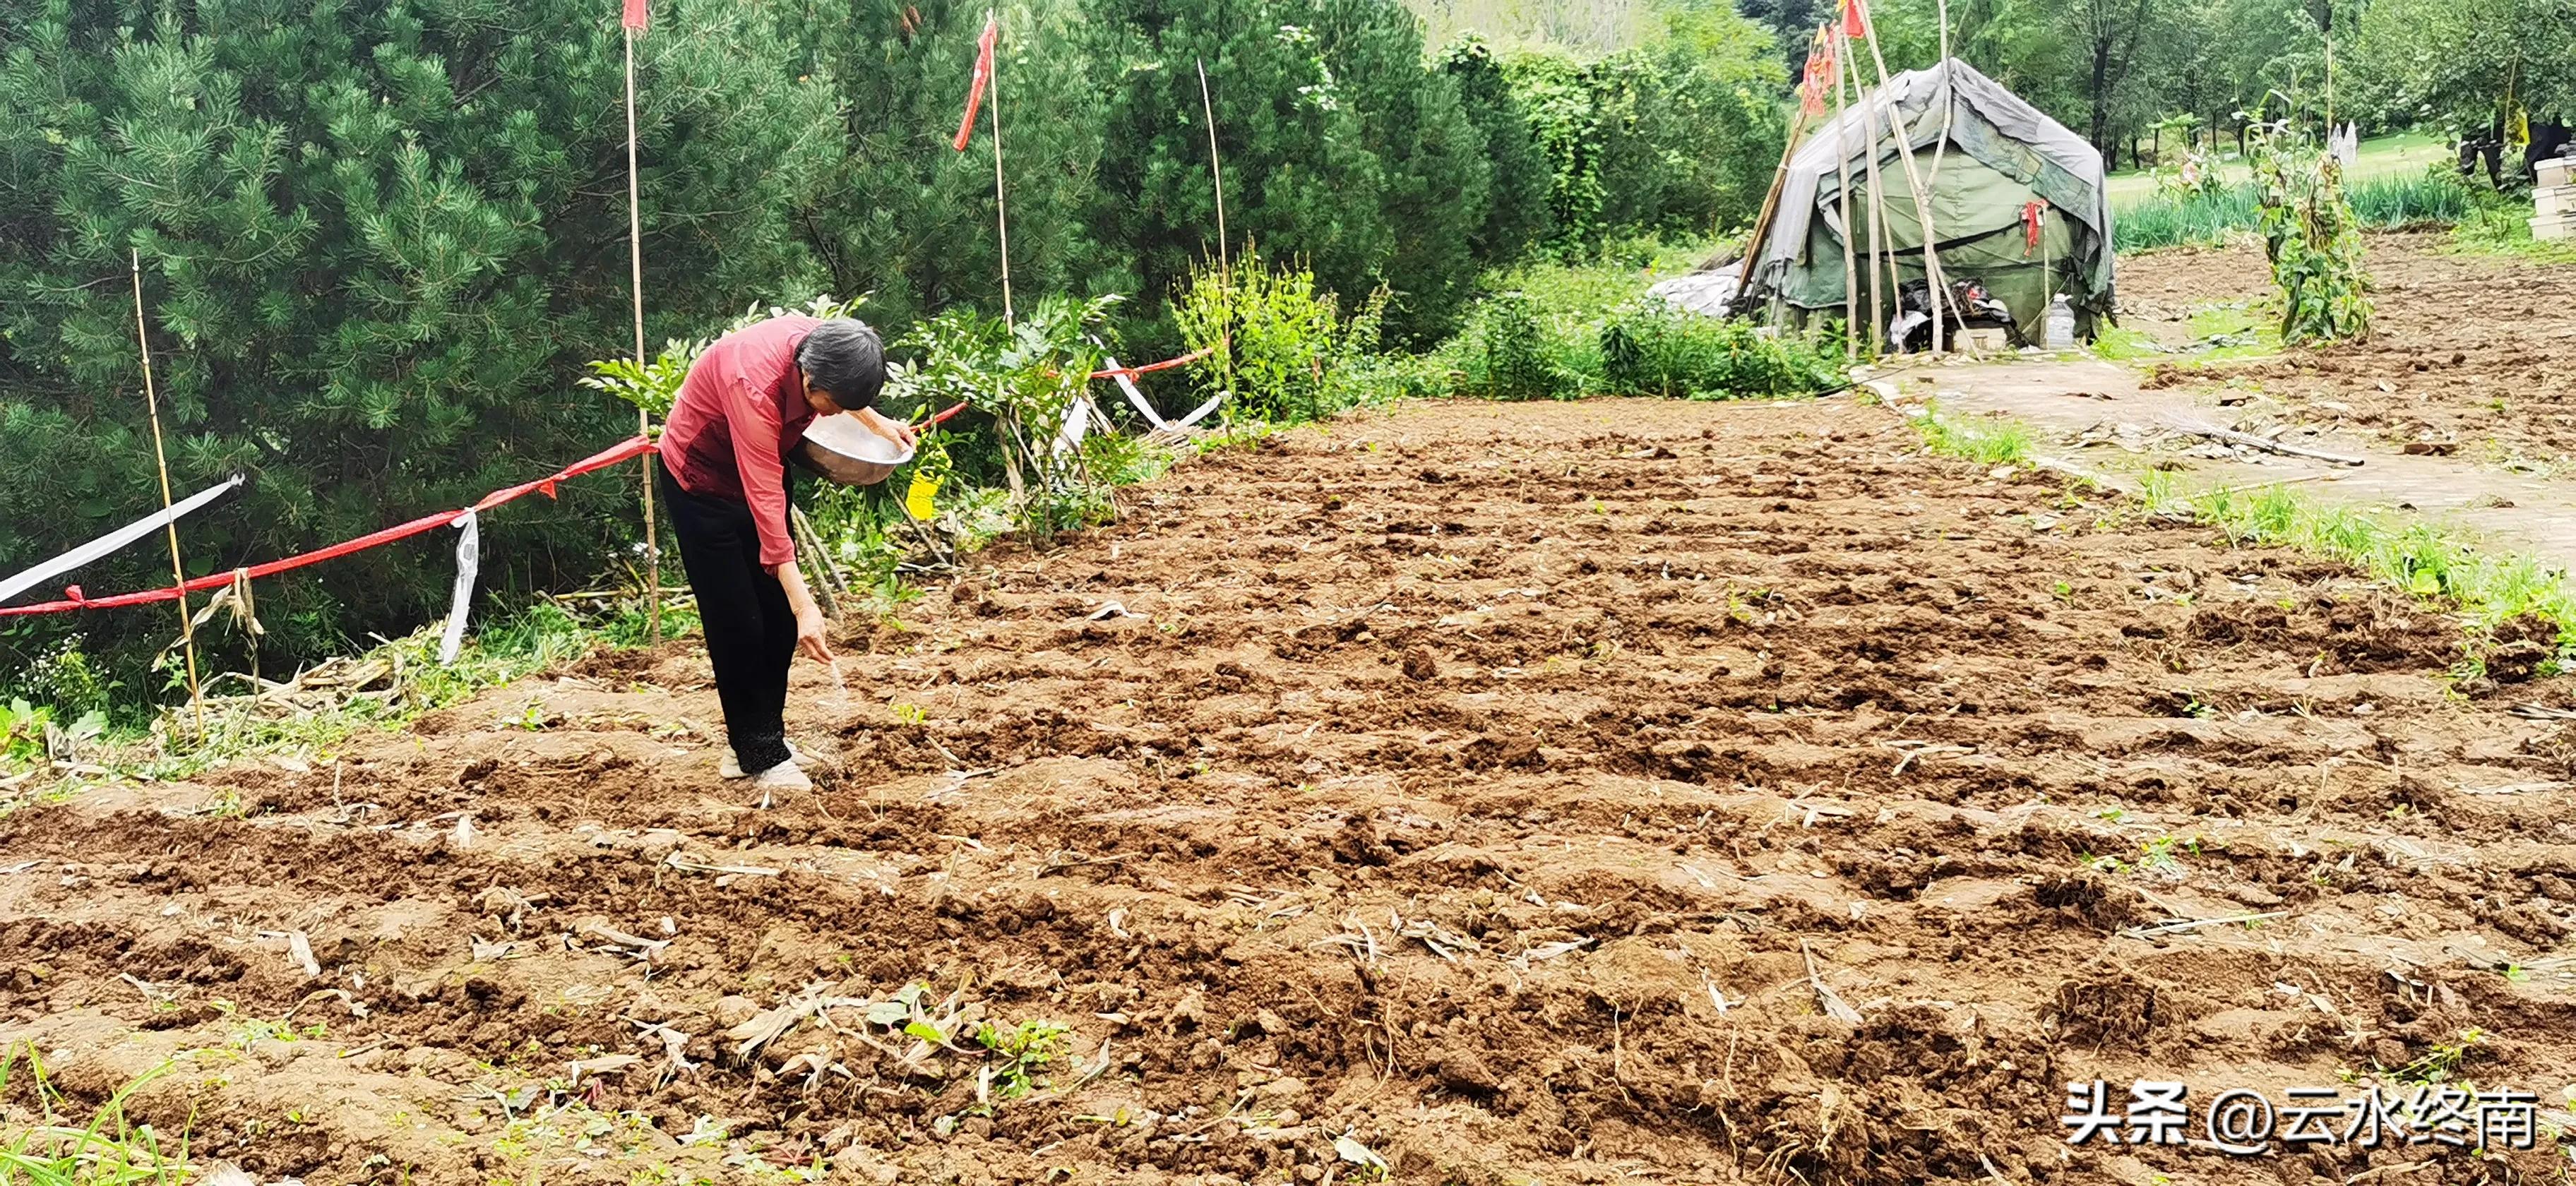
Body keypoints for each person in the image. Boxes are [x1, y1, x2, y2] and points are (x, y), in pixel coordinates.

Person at [657, 314, 915, 791]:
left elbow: (770, 491)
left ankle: (759, 741)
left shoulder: (827, 342)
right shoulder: (753, 386)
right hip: (701, 483)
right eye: (832, 405)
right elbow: (766, 504)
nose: (833, 415)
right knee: (739, 622)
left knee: (776, 620)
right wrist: (806, 605)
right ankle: (758, 755)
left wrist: (879, 424)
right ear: (808, 378)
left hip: (760, 472)